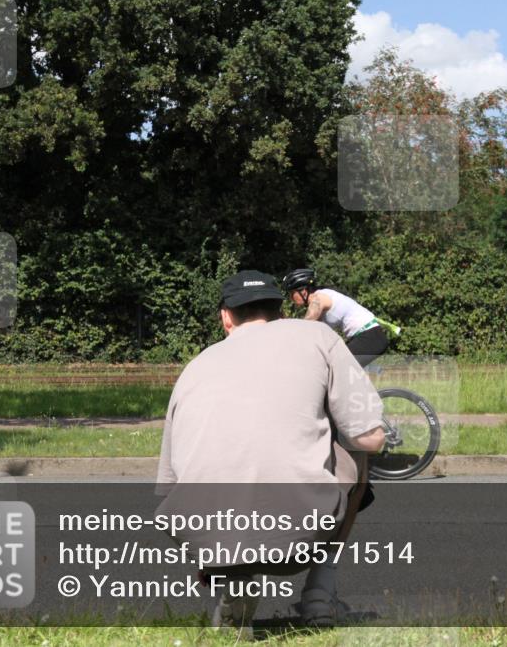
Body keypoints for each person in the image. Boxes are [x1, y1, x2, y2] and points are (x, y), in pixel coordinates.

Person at [155, 269, 386, 638]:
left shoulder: (194, 367)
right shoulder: (318, 336)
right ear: (280, 312)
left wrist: (205, 555)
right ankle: (318, 596)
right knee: (356, 450)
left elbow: (168, 487)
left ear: (225, 318)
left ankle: (233, 584)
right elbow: (370, 438)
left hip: (207, 538)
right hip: (297, 538)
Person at [281, 268, 401, 368]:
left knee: (337, 369)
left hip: (370, 338)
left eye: (292, 294)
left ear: (304, 291)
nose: (291, 298)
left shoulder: (319, 299)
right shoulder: (322, 297)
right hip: (365, 337)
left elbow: (306, 327)